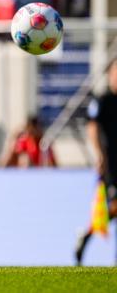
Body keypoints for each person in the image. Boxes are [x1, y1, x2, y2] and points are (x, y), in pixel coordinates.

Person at [75, 59, 117, 265]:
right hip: (112, 164)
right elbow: (93, 128)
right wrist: (99, 154)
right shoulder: (103, 100)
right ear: (110, 75)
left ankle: (87, 234)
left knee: (114, 210)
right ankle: (88, 234)